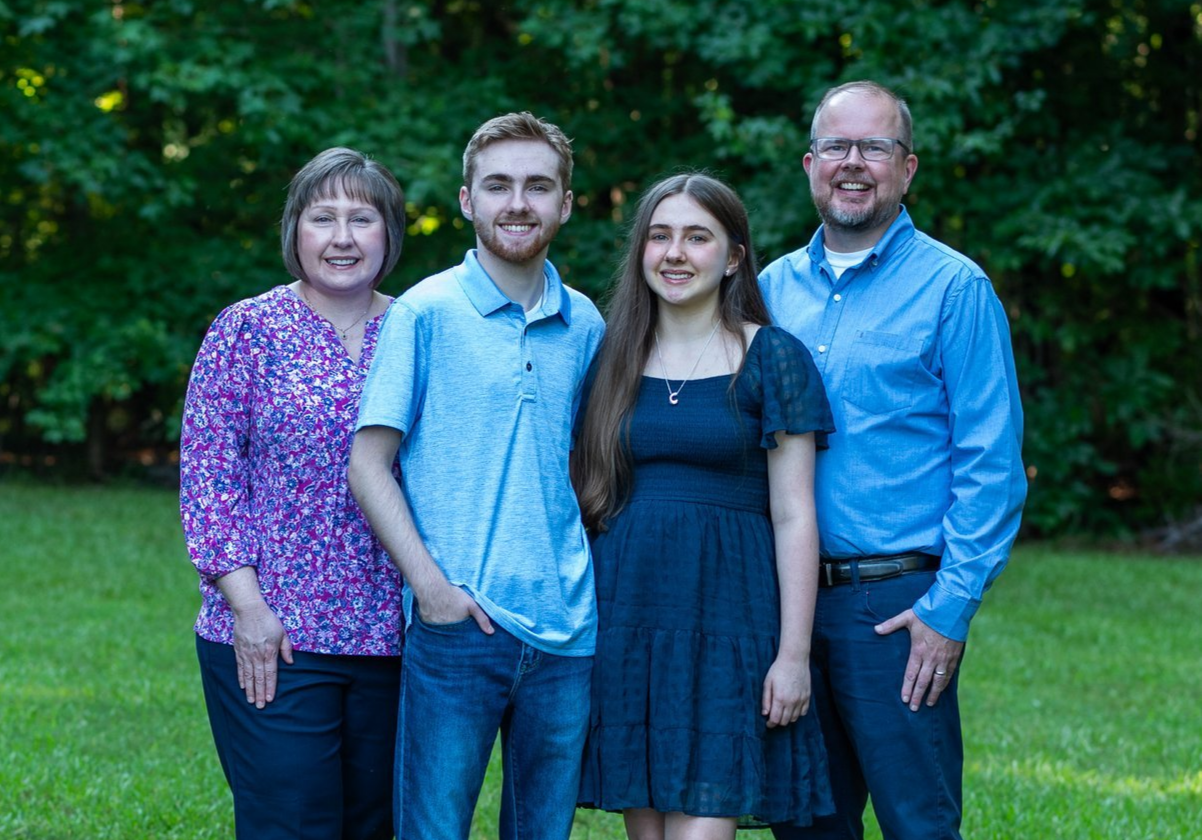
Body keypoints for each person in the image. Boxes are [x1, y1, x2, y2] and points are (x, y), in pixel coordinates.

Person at [759, 81, 1027, 840]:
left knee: (919, 824)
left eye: (874, 147)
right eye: (838, 146)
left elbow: (991, 463)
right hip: (788, 608)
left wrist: (950, 608)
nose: (854, 163)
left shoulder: (954, 289)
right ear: (811, 163)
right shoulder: (769, 290)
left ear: (907, 168)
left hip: (900, 610)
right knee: (806, 821)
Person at [347, 112, 605, 840]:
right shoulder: (425, 314)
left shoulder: (586, 325)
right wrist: (432, 590)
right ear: (467, 200)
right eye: (498, 186)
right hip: (458, 625)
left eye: (536, 186)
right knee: (433, 831)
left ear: (565, 203)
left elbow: (591, 467)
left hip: (567, 632)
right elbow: (368, 467)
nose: (516, 202)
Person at [573, 172, 836, 839]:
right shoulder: (613, 357)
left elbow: (796, 514)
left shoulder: (771, 356)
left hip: (731, 617)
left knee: (702, 827)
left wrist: (793, 654)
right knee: (649, 828)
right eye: (660, 236)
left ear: (734, 256)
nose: (676, 253)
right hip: (630, 617)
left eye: (698, 237)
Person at [179, 147, 407, 840]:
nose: (342, 237)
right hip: (275, 634)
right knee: (292, 825)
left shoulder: (421, 328)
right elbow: (208, 477)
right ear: (295, 231)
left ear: (389, 234)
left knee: (376, 827)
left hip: (395, 637)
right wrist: (248, 608)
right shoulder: (246, 330)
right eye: (323, 218)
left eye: (362, 219)